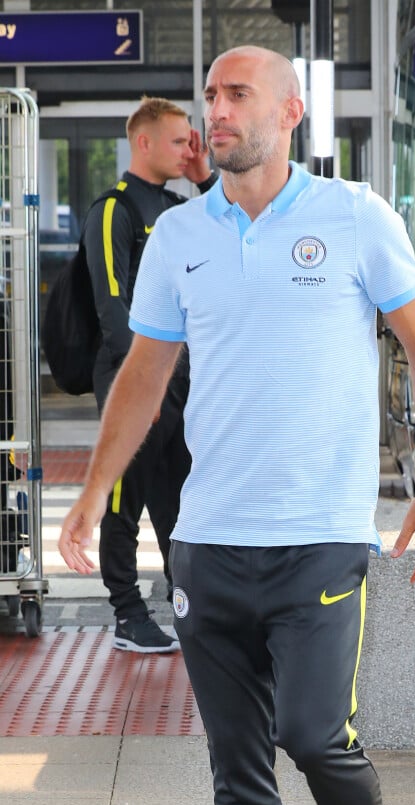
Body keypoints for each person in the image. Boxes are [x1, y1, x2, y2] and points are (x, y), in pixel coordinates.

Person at [59, 47, 415, 805]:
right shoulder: (178, 235)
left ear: (289, 115)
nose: (216, 110)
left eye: (236, 95)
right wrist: (89, 493)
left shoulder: (355, 217)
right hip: (207, 540)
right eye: (210, 95)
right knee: (236, 759)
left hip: (320, 533)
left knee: (314, 734)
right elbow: (144, 375)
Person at [84, 96, 217, 653]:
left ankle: (188, 605)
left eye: (192, 140)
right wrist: (144, 387)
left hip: (180, 382)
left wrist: (206, 177)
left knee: (180, 498)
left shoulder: (177, 206)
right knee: (125, 496)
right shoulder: (114, 209)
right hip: (135, 381)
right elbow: (113, 307)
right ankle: (126, 613)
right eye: (179, 140)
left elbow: (232, 222)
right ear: (144, 142)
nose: (189, 147)